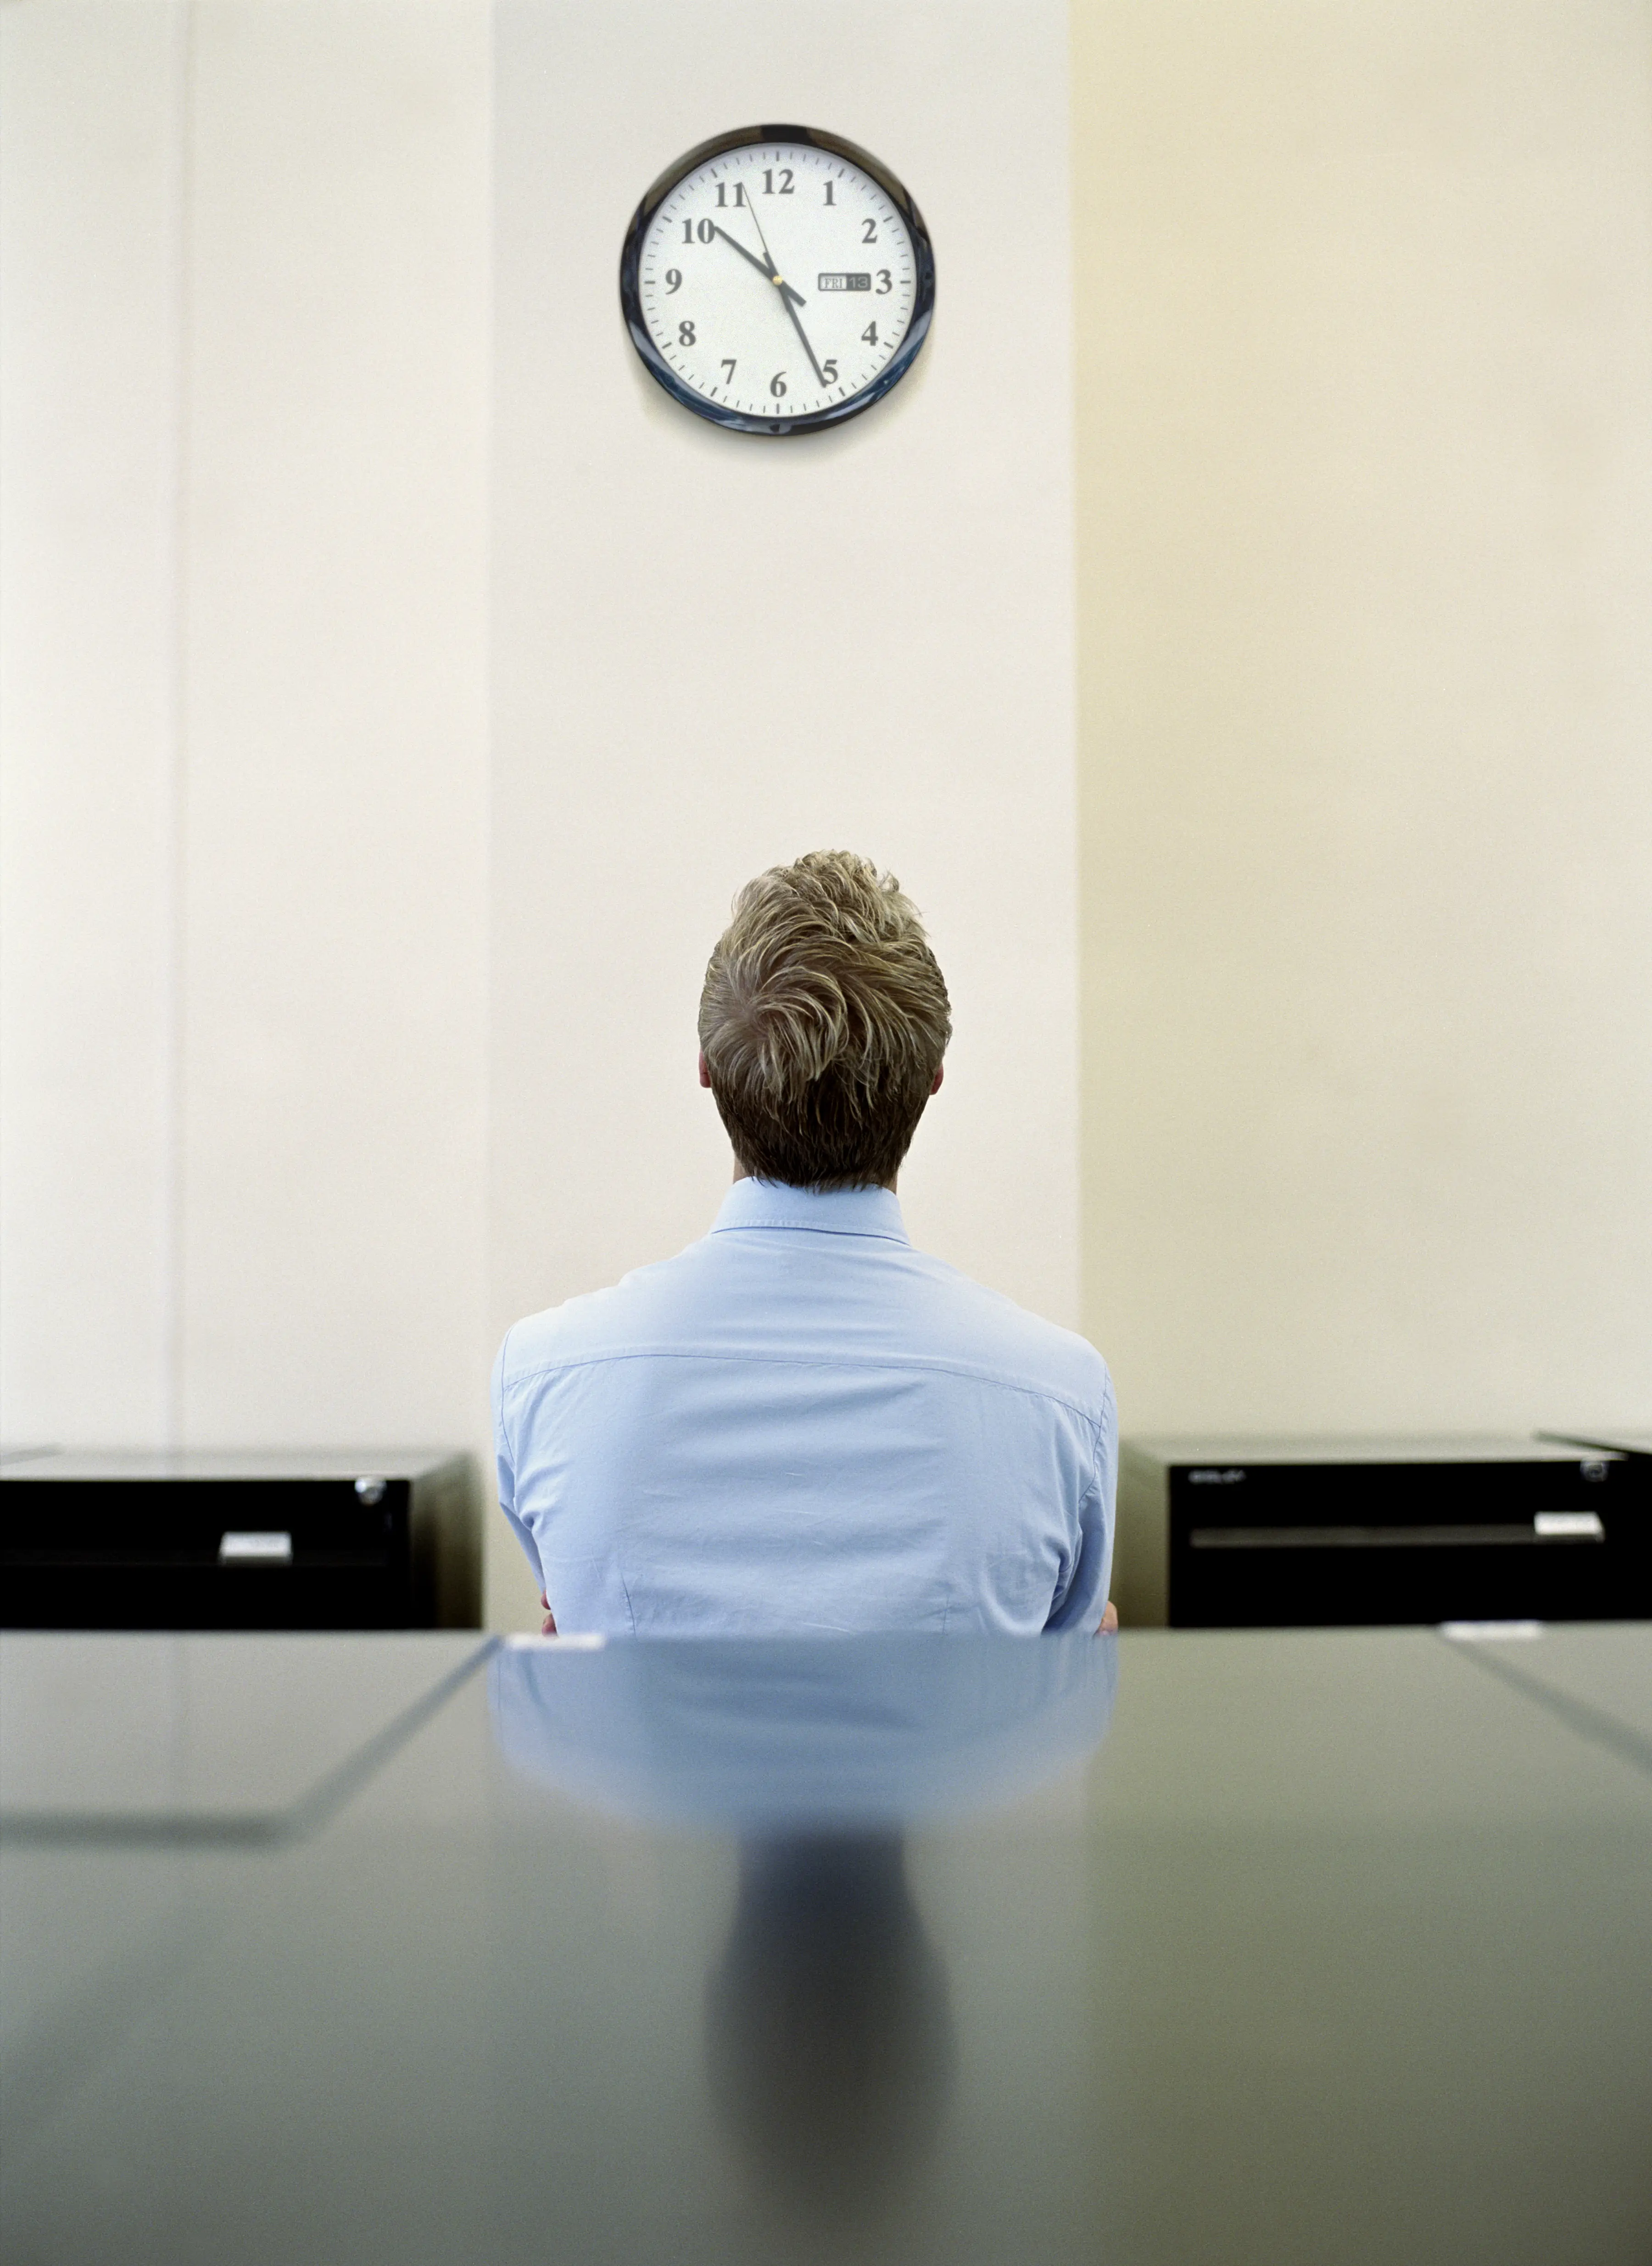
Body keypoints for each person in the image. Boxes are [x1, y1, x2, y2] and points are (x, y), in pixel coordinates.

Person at [492, 851, 1117, 1636]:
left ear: (707, 1069)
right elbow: (1061, 1659)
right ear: (933, 1080)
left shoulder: (545, 1376)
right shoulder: (1061, 1396)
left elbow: (577, 1623)